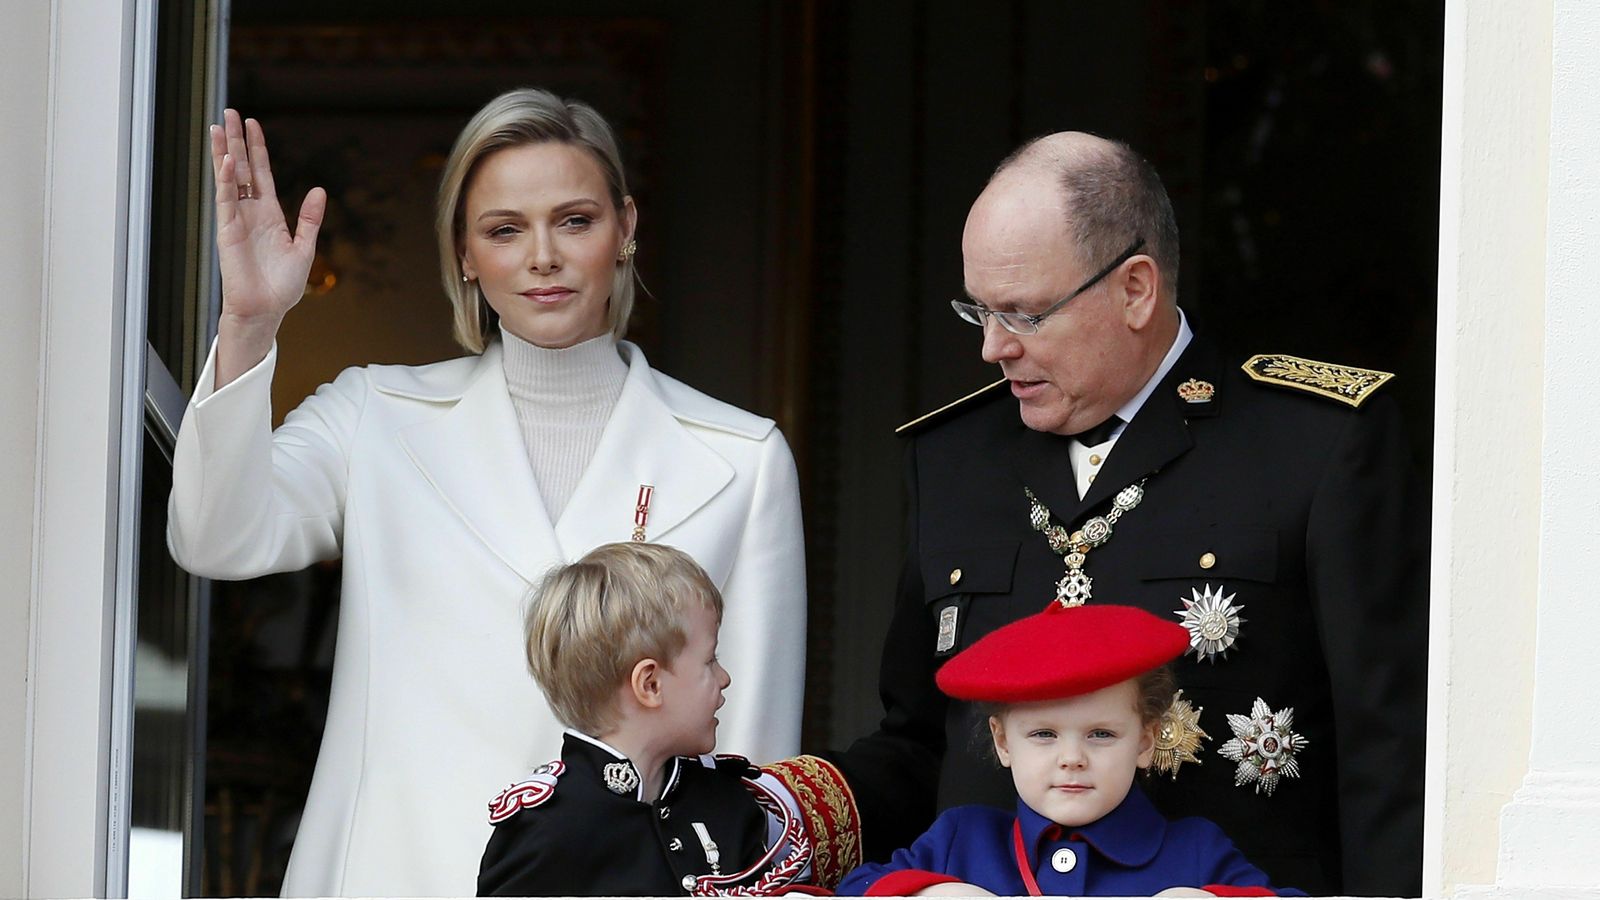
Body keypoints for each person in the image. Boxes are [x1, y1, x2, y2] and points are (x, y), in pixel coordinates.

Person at [166, 88, 807, 897]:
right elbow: (215, 537)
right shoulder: (375, 415)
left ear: (627, 229)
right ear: (465, 254)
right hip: (394, 875)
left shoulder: (742, 458)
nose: (543, 255)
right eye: (504, 229)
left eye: (575, 220)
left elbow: (752, 762)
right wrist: (250, 324)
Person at [806, 132, 1427, 895]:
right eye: (980, 312)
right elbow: (919, 743)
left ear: (1136, 289)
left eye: (1024, 314)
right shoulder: (952, 458)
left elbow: (1389, 756)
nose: (992, 348)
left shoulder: (1316, 446)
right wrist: (783, 809)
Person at [836, 602, 1302, 897]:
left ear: (1145, 740)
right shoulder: (962, 838)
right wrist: (926, 894)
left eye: (1101, 734)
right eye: (1044, 734)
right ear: (1003, 742)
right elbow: (854, 890)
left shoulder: (1196, 850)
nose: (1072, 757)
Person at [478, 542, 816, 896]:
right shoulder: (549, 827)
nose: (724, 678)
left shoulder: (727, 805)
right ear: (650, 684)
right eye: (710, 660)